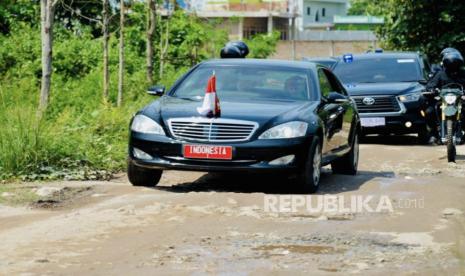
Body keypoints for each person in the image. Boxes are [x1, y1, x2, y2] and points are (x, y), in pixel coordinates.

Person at [425, 49, 465, 143]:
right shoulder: (440, 74)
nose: (453, 66)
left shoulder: (463, 74)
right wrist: (431, 89)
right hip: (443, 101)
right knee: (429, 111)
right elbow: (431, 84)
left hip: (461, 100)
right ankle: (434, 134)